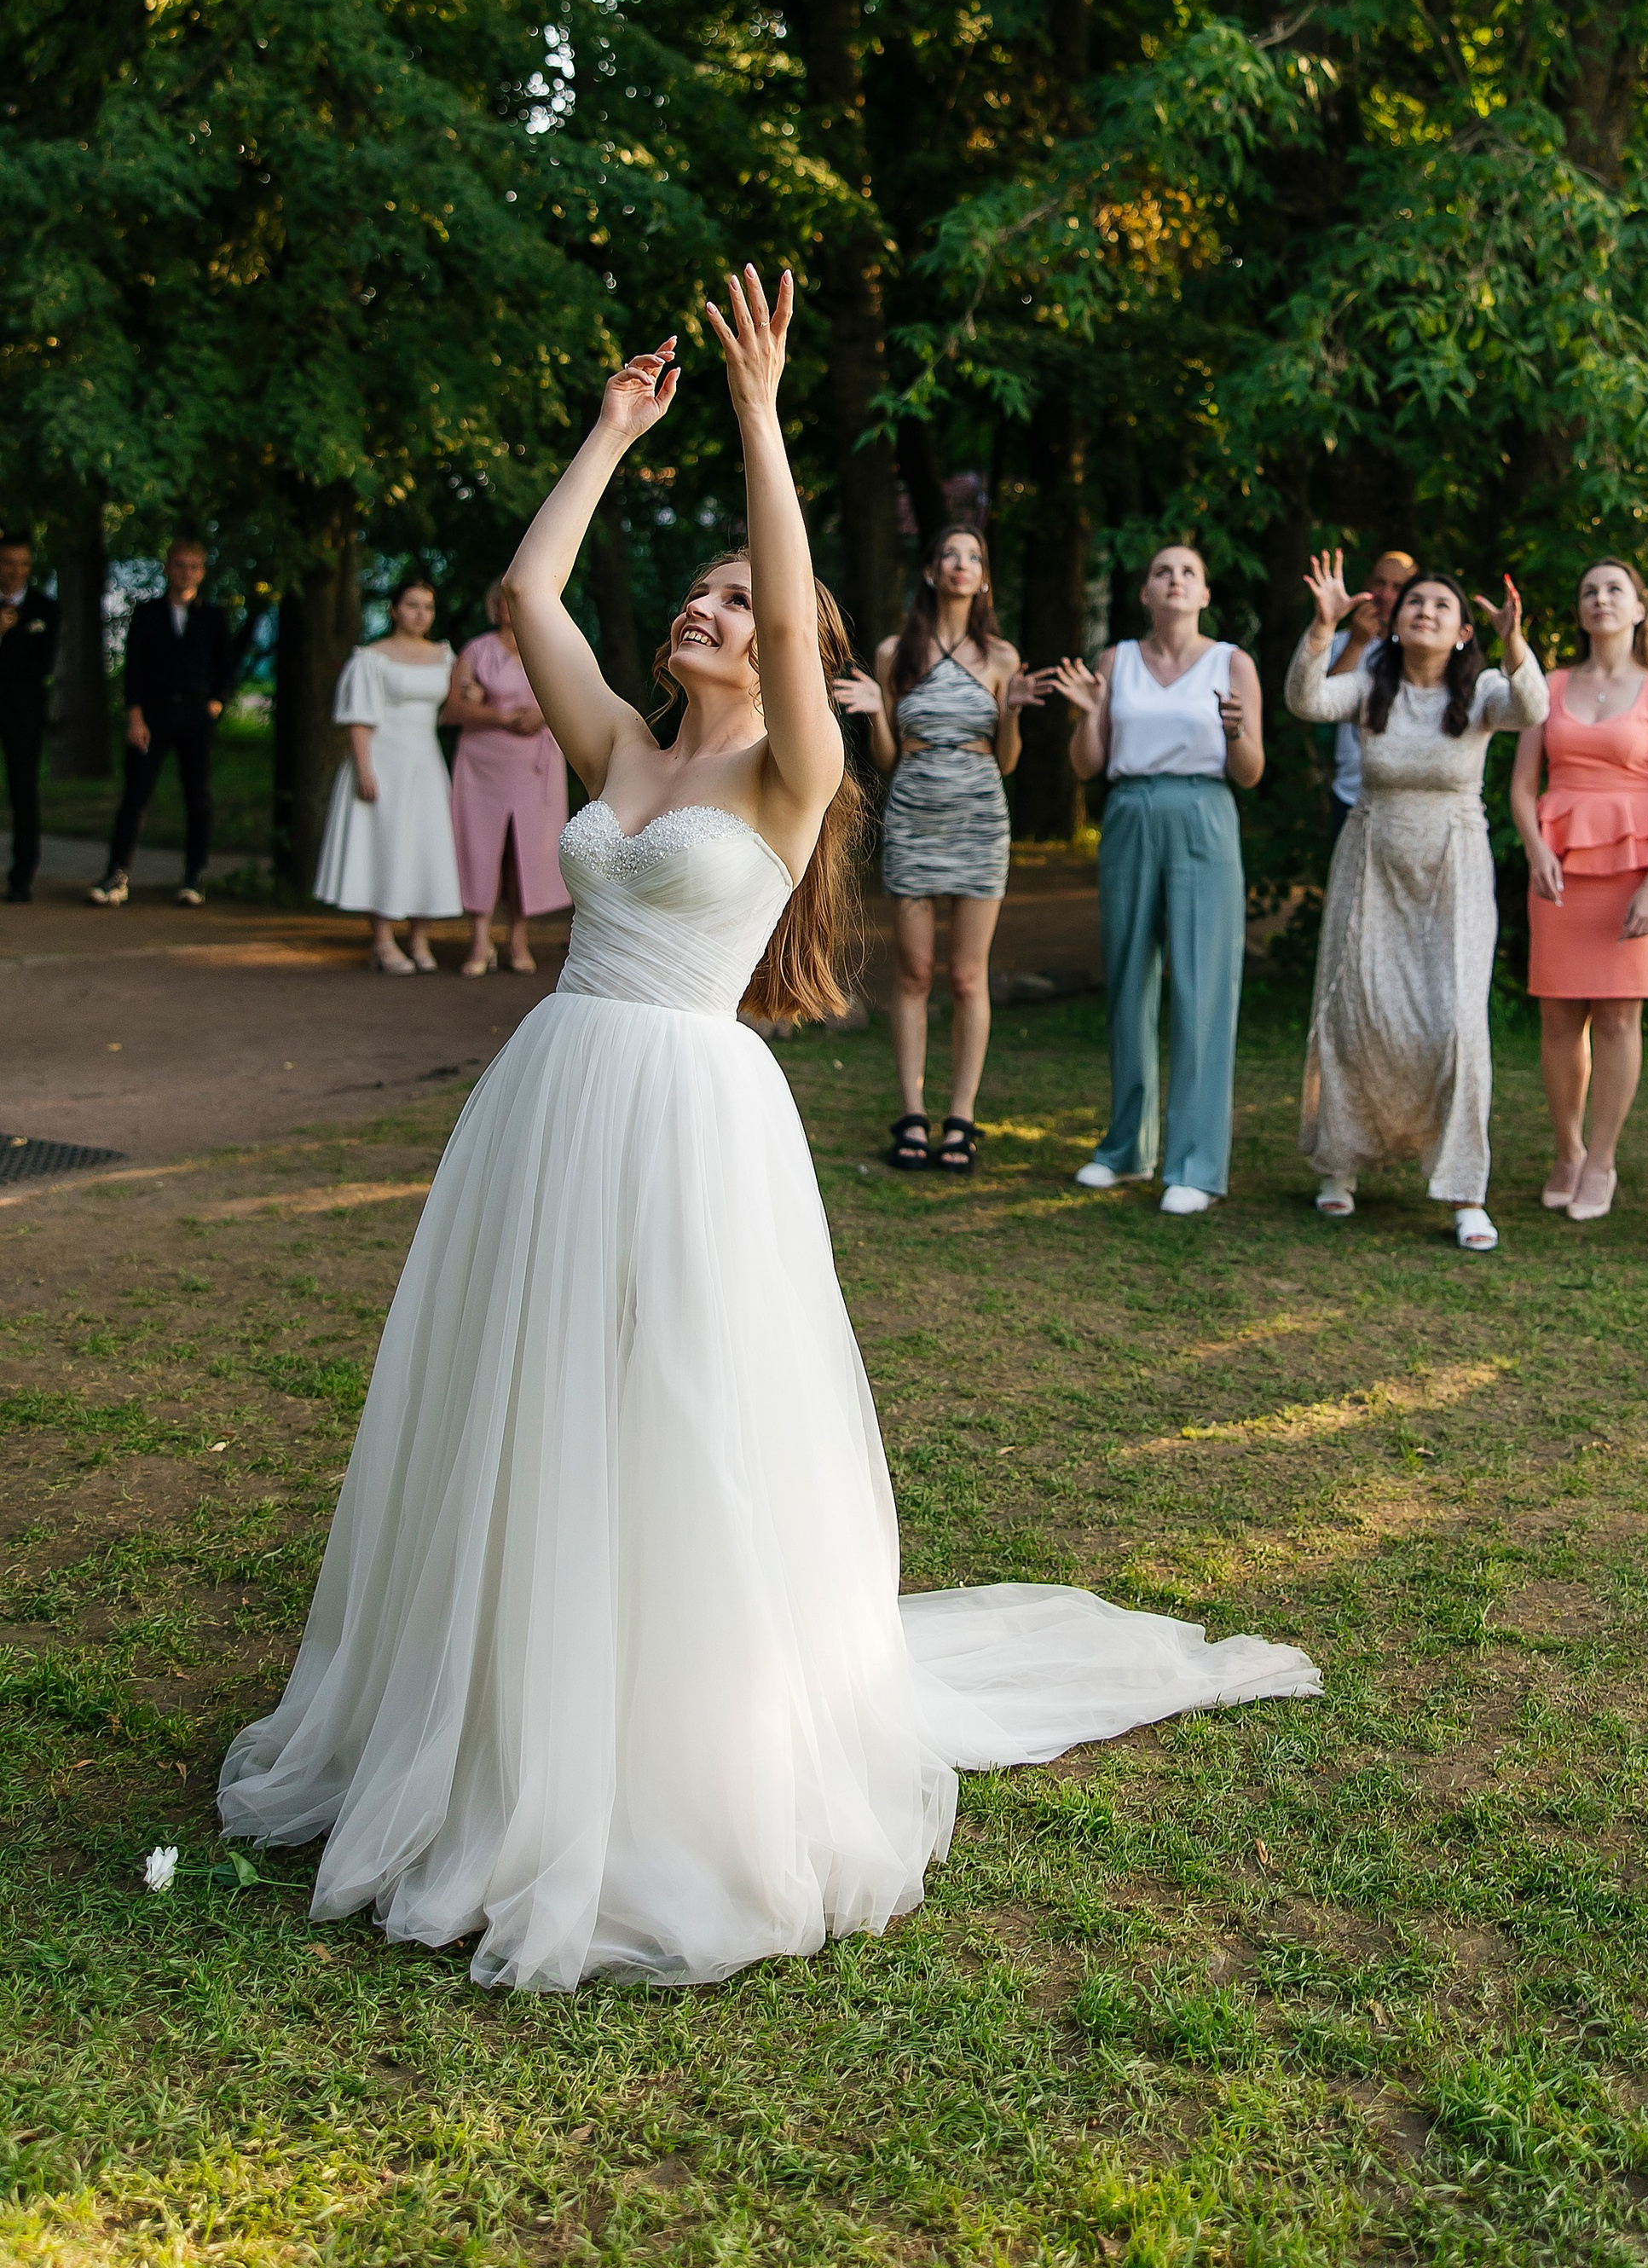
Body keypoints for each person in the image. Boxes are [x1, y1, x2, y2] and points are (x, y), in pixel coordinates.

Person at [218, 273, 1318, 1992]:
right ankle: (508, 1702)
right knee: (536, 1400)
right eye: (699, 598)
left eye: (734, 603)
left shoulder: (786, 773)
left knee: (671, 1410)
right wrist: (610, 431)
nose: (708, 614)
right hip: (551, 1098)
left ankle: (668, 1739)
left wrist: (756, 414)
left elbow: (801, 625)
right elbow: (524, 590)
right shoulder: (621, 757)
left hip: (683, 1117)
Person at [1286, 553, 1545, 1248]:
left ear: (1464, 629)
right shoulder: (1371, 683)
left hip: (1453, 866)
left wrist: (1515, 640)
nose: (1424, 612)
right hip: (1370, 860)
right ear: (1395, 622)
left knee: (1457, 1021)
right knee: (1354, 1009)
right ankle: (1340, 1166)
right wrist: (1323, 627)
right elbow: (1306, 700)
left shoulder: (1486, 687)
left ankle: (1465, 1190)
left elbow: (1533, 709)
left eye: (1440, 606)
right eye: (1414, 604)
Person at [1047, 543, 1266, 1218]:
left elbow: (1252, 770)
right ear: (1145, 593)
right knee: (1129, 980)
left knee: (1203, 988)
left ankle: (1194, 1164)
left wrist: (1235, 734)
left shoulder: (1234, 663)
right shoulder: (1116, 661)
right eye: (1162, 572)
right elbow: (1088, 766)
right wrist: (1088, 714)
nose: (1175, 581)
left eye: (1189, 573)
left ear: (1204, 594)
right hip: (1131, 811)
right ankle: (1126, 1148)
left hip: (1204, 810)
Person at [831, 523, 1044, 1173]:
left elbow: (1007, 762)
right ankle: (912, 1117)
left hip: (980, 816)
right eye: (950, 554)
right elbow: (890, 761)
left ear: (984, 578)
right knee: (915, 974)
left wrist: (1011, 715)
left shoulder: (1003, 658)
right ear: (930, 572)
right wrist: (874, 711)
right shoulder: (898, 651)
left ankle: (962, 1119)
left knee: (969, 975)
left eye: (973, 556)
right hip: (915, 814)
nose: (961, 564)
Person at [1511, 558, 1648, 1224]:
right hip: (1555, 869)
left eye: (1615, 589)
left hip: (1635, 870)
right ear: (1580, 610)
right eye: (1588, 590)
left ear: (1640, 609)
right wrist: (1535, 850)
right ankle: (1566, 1149)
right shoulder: (1549, 685)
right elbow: (1521, 785)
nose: (1600, 599)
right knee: (1559, 1017)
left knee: (1618, 1018)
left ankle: (1604, 1160)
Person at [313, 572, 462, 973]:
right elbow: (358, 718)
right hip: (383, 758)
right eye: (412, 605)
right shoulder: (371, 658)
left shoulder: (446, 656)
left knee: (426, 845)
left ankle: (419, 938)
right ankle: (382, 940)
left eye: (427, 607)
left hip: (426, 763)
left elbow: (461, 700)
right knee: (383, 843)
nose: (420, 614)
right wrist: (364, 768)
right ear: (395, 610)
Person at [88, 541, 235, 908]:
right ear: (168, 568)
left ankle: (193, 876)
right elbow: (133, 668)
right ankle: (117, 873)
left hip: (195, 715)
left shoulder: (213, 618)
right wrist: (135, 716)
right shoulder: (148, 614)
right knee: (135, 795)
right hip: (153, 714)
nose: (186, 572)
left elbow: (226, 668)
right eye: (180, 565)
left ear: (202, 572)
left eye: (194, 566)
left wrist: (215, 704)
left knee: (198, 796)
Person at [448, 577, 570, 978]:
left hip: (534, 764)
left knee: (527, 851)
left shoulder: (546, 648)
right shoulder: (476, 651)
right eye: (500, 600)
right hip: (483, 762)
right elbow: (452, 708)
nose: (507, 606)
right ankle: (480, 939)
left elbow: (571, 698)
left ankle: (518, 938)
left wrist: (543, 714)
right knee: (481, 847)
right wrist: (501, 716)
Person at [1327, 549, 1416, 836]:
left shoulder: (1423, 648)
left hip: (1406, 799)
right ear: (1367, 585)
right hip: (1350, 793)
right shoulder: (1341, 642)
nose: (1386, 594)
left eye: (1398, 587)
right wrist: (1357, 643)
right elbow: (1323, 702)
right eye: (1380, 583)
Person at [0, 535, 59, 904]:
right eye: (9, 562)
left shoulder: (45, 608)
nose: (16, 571)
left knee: (24, 791)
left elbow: (43, 663)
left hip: (23, 710)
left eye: (23, 563)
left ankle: (22, 876)